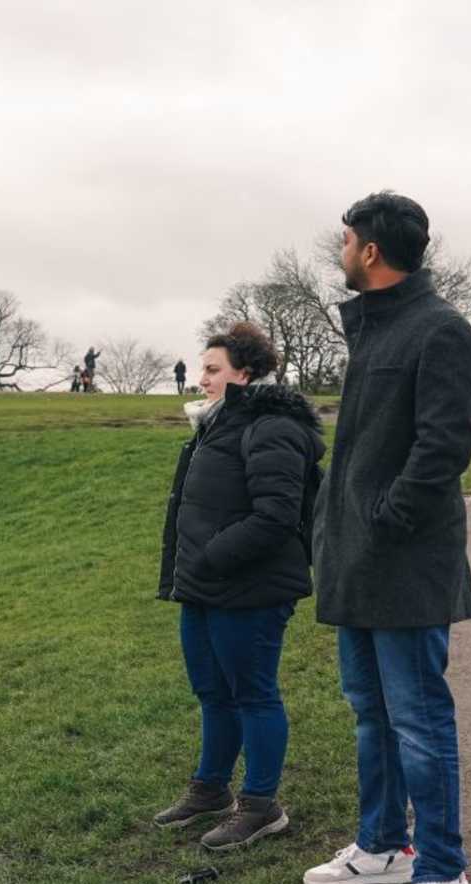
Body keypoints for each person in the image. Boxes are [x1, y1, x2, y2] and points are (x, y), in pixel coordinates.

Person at [303, 193, 471, 884]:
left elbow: (445, 444)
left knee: (419, 720)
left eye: (346, 241)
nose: (341, 251)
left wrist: (386, 516)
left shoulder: (440, 330)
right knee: (370, 714)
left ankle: (442, 869)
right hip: (356, 560)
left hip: (404, 560)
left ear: (370, 250)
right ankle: (383, 848)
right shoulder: (373, 329)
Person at [152, 323, 326, 853]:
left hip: (251, 588)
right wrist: (195, 568)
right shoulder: (217, 424)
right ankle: (208, 790)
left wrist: (212, 557)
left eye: (212, 370)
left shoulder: (270, 427)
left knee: (253, 694)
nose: (200, 379)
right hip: (206, 587)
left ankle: (260, 806)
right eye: (201, 368)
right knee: (213, 692)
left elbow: (275, 517)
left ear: (243, 374)